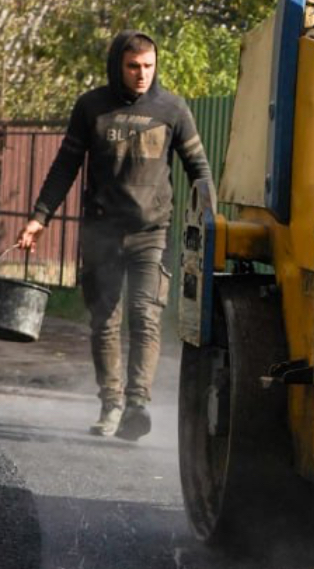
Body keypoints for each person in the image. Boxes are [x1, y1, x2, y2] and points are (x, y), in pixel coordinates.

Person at [16, 31, 213, 441]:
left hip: (151, 233)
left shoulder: (172, 109)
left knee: (146, 318)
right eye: (133, 67)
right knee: (105, 321)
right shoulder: (92, 108)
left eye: (148, 66)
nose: (142, 74)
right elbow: (64, 166)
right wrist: (39, 217)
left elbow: (199, 169)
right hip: (102, 232)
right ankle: (111, 403)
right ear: (117, 66)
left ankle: (137, 404)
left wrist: (210, 220)